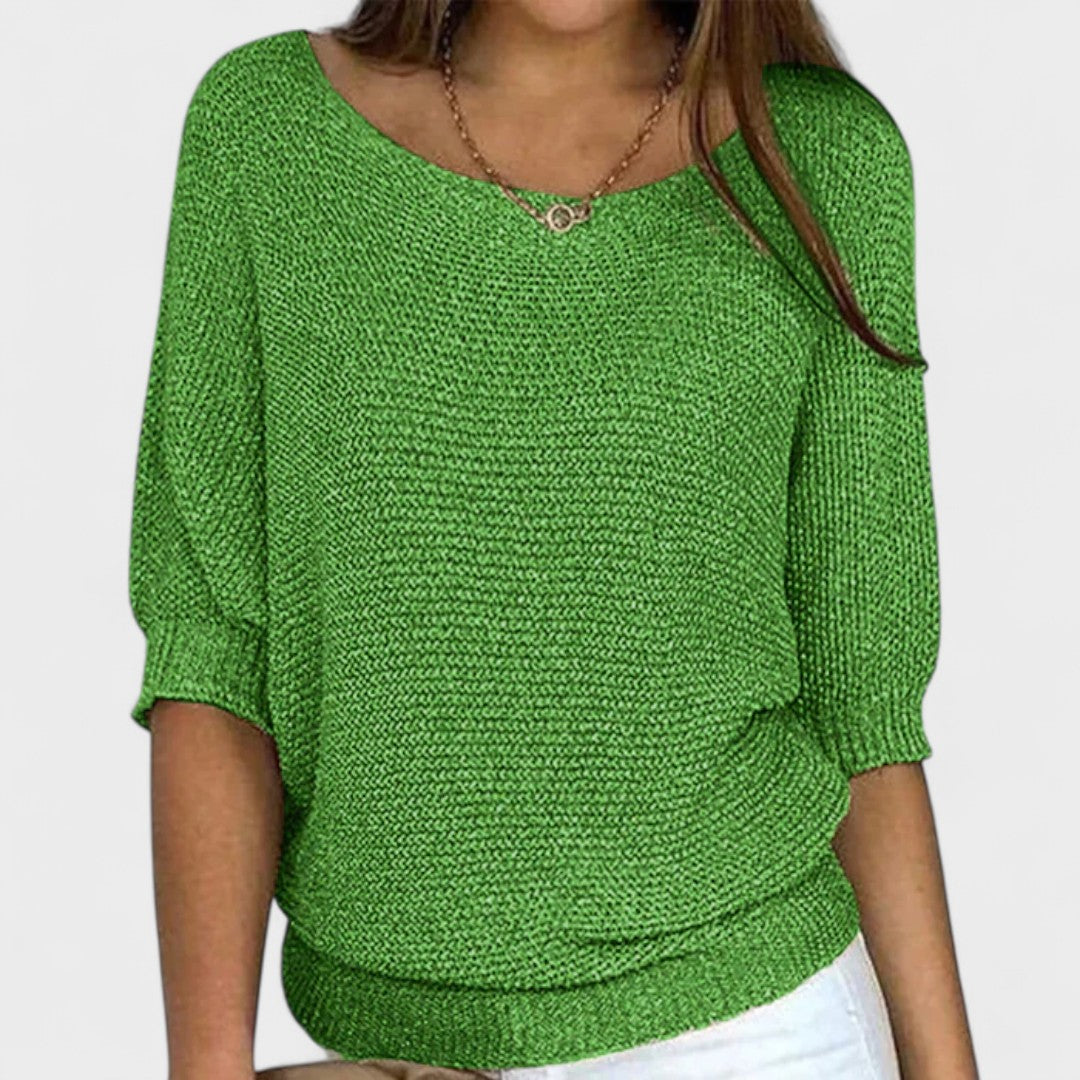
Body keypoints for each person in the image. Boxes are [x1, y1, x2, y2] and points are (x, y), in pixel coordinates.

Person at [126, 2, 979, 1078]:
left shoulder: (820, 159)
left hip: (756, 1030)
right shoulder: (267, 132)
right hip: (388, 1043)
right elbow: (212, 651)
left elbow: (865, 713)